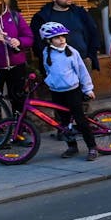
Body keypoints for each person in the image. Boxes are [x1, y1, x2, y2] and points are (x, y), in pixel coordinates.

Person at [38, 20, 99, 161]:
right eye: (57, 38)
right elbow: (48, 70)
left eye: (63, 36)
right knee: (64, 122)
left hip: (72, 91)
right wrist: (50, 81)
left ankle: (92, 147)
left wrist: (88, 88)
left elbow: (82, 71)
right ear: (48, 40)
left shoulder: (72, 52)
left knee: (81, 120)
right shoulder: (46, 52)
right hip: (56, 92)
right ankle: (72, 146)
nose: (61, 39)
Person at [31, 0, 102, 72]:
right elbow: (38, 43)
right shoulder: (42, 17)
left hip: (83, 60)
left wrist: (90, 56)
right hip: (57, 64)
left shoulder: (80, 13)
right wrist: (50, 59)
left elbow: (94, 32)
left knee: (87, 86)